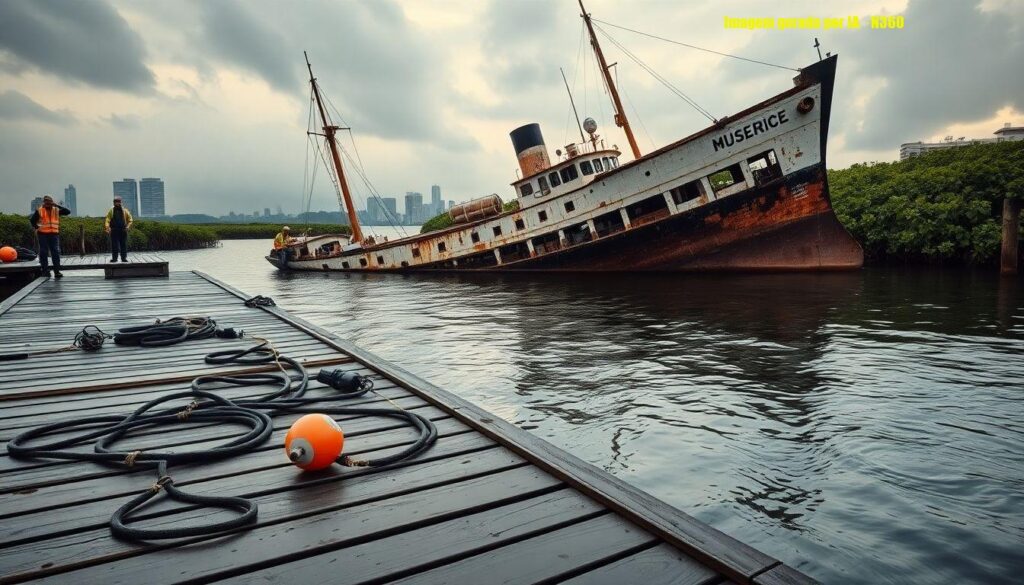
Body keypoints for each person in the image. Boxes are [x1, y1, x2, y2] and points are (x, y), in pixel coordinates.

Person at [29, 195, 70, 278]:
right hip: (42, 234)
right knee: (43, 252)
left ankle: (57, 271)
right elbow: (32, 220)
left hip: (54, 234)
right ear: (44, 202)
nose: (48, 204)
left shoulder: (56, 210)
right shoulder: (40, 210)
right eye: (46, 202)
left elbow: (67, 212)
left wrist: (57, 205)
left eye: (49, 202)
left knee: (55, 252)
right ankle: (45, 271)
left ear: (52, 202)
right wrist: (37, 227)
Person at [104, 196, 134, 262]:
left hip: (123, 230)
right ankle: (114, 258)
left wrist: (128, 227)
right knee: (114, 245)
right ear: (114, 203)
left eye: (118, 202)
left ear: (120, 202)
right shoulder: (111, 211)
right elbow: (107, 220)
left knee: (123, 245)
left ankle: (124, 258)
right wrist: (107, 227)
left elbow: (130, 220)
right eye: (115, 202)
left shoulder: (125, 211)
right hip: (114, 230)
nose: (117, 203)